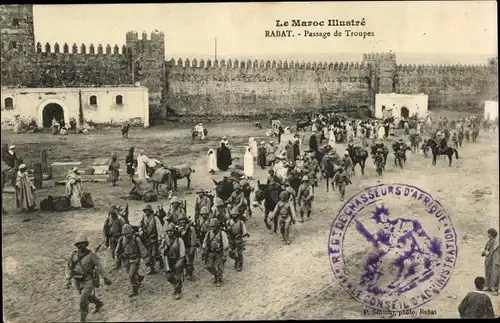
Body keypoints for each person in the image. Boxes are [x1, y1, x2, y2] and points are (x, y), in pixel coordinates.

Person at [65, 234, 112, 322]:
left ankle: (83, 319)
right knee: (88, 297)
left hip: (88, 280)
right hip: (78, 281)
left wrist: (105, 277)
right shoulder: (73, 255)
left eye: (82, 244)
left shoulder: (91, 255)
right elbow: (69, 268)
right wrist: (68, 279)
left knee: (83, 301)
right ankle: (98, 303)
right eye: (78, 244)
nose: (80, 246)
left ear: (86, 244)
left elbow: (99, 266)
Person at [115, 224, 148, 297]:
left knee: (131, 275)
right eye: (125, 234)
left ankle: (135, 289)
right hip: (126, 259)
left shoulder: (136, 239)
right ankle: (139, 277)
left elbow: (142, 249)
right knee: (130, 273)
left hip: (135, 259)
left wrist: (146, 259)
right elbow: (117, 250)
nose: (127, 235)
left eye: (128, 233)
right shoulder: (121, 239)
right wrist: (118, 258)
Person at [160, 223, 186, 299]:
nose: (169, 233)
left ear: (174, 231)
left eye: (171, 231)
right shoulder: (165, 240)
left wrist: (180, 261)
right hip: (168, 261)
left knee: (178, 276)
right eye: (168, 231)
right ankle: (176, 286)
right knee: (169, 277)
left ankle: (178, 291)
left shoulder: (179, 240)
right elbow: (160, 249)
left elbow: (182, 251)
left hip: (177, 260)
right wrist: (163, 250)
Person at [202, 218, 229, 287]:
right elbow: (204, 242)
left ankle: (218, 279)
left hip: (219, 252)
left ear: (217, 227)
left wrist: (225, 254)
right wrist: (204, 249)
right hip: (211, 252)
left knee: (219, 267)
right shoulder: (208, 233)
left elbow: (226, 244)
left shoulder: (222, 233)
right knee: (209, 266)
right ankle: (216, 275)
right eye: (211, 227)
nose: (212, 228)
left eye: (214, 227)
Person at [139, 204, 165, 275]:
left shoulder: (155, 218)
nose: (146, 212)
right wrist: (140, 230)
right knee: (149, 254)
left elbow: (159, 228)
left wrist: (161, 237)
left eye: (147, 211)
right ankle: (152, 269)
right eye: (145, 211)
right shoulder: (143, 218)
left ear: (150, 211)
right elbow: (140, 225)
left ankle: (161, 262)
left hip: (154, 238)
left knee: (154, 254)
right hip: (146, 238)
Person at [178, 215, 197, 281]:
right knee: (183, 261)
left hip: (189, 246)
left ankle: (190, 273)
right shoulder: (178, 229)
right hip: (182, 247)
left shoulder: (191, 229)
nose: (182, 223)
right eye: (180, 222)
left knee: (189, 261)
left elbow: (193, 238)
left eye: (183, 221)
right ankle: (186, 270)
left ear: (186, 221)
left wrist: (192, 247)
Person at [482, 228, 500, 296]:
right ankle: (488, 286)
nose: (487, 234)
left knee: (495, 274)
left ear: (491, 234)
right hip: (489, 259)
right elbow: (486, 249)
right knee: (488, 273)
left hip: (495, 260)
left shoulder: (497, 242)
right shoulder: (489, 241)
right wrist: (484, 252)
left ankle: (495, 289)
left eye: (488, 233)